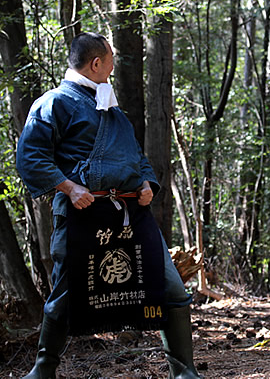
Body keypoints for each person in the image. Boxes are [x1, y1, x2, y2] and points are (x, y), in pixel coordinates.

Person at [16, 32, 202, 379]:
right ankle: (42, 370)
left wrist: (147, 183)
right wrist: (69, 188)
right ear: (97, 63)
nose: (114, 67)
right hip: (81, 214)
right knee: (64, 294)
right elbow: (30, 156)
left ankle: (184, 372)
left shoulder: (112, 109)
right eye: (111, 60)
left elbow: (137, 158)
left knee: (172, 288)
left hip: (130, 215)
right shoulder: (52, 103)